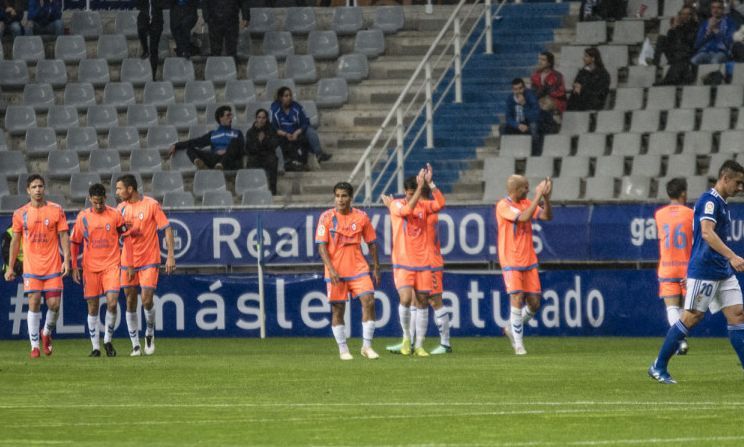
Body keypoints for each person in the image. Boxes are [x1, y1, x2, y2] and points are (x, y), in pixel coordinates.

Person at [649, 160, 744, 384]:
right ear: (725, 178)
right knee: (691, 317)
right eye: (738, 183)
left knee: (738, 314)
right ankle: (658, 365)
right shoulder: (709, 201)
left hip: (722, 270)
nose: (740, 188)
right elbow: (707, 233)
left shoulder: (721, 203)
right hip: (706, 270)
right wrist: (732, 256)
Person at [381, 164, 445, 357]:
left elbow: (440, 203)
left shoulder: (424, 206)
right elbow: (408, 210)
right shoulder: (396, 204)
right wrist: (419, 188)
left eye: (413, 192)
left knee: (423, 301)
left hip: (423, 262)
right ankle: (406, 338)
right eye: (408, 193)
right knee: (406, 299)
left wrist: (430, 184)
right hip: (402, 261)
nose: (411, 196)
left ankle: (419, 345)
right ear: (404, 192)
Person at [4, 174, 70, 358]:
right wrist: (10, 267)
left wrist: (67, 261)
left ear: (44, 188)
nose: (38, 189)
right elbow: (15, 241)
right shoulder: (20, 213)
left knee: (54, 305)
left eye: (40, 186)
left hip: (52, 265)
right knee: (33, 302)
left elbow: (64, 236)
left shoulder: (56, 210)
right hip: (31, 267)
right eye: (34, 187)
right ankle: (34, 346)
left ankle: (46, 333)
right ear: (28, 190)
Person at [316, 182, 381, 360]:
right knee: (338, 310)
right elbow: (322, 247)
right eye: (337, 196)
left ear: (351, 198)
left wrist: (376, 266)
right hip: (335, 271)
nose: (340, 199)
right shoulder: (326, 217)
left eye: (344, 196)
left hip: (358, 268)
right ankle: (343, 350)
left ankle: (367, 347)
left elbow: (371, 243)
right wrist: (331, 269)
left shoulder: (361, 217)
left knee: (369, 301)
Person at [115, 174, 176, 356]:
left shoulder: (151, 205)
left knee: (147, 299)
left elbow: (167, 228)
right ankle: (135, 344)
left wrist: (170, 256)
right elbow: (117, 234)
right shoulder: (120, 209)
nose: (117, 192)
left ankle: (149, 332)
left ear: (130, 189)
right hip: (128, 262)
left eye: (119, 189)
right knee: (130, 300)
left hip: (149, 259)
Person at [70, 184, 133, 358]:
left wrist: (130, 264)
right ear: (90, 199)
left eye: (101, 202)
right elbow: (75, 242)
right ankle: (95, 347)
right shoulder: (83, 217)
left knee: (112, 302)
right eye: (95, 202)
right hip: (90, 268)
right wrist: (74, 265)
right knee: (93, 306)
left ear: (106, 198)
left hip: (111, 265)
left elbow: (126, 239)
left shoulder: (115, 215)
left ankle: (107, 340)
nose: (98, 206)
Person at [498, 175, 553, 355]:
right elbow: (523, 218)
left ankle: (511, 328)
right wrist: (538, 194)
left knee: (534, 303)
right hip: (511, 260)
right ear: (515, 189)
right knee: (517, 297)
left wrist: (546, 197)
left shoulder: (526, 202)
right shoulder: (503, 206)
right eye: (525, 188)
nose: (528, 190)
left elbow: (546, 216)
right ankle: (519, 345)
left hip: (529, 260)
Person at [654, 178, 694, 356]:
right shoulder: (691, 213)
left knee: (671, 308)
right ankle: (681, 338)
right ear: (683, 193)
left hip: (667, 267)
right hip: (686, 267)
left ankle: (681, 341)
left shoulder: (659, 214)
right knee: (687, 310)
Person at [270, 86, 332, 172]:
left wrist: (297, 132)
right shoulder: (274, 109)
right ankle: (286, 163)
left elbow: (305, 123)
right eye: (286, 96)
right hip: (282, 135)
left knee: (311, 131)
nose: (289, 98)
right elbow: (273, 127)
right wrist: (285, 134)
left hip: (297, 133)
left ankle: (319, 154)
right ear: (280, 98)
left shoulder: (297, 107)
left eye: (290, 95)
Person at [168, 105, 245, 171]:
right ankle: (200, 164)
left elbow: (242, 149)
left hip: (230, 161)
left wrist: (227, 151)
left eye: (231, 115)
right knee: (190, 149)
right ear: (220, 118)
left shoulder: (237, 133)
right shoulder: (213, 134)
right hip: (215, 159)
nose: (231, 117)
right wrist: (176, 145)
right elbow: (196, 142)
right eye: (228, 115)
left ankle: (221, 165)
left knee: (234, 142)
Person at [654, 6, 698, 85]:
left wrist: (679, 28)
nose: (684, 16)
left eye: (687, 14)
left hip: (687, 53)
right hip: (675, 52)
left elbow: (688, 40)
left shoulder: (694, 26)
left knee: (681, 57)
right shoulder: (679, 26)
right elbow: (670, 40)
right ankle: (655, 63)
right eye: (682, 14)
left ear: (691, 15)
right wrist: (673, 28)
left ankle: (669, 79)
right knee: (661, 38)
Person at [503, 78, 543, 156]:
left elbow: (535, 117)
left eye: (520, 88)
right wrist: (517, 125)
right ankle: (508, 154)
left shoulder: (530, 96)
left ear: (524, 88)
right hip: (519, 124)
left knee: (534, 126)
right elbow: (508, 117)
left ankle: (535, 154)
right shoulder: (510, 99)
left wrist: (524, 104)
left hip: (530, 123)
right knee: (503, 128)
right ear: (512, 90)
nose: (518, 91)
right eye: (515, 89)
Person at [530, 51, 566, 134]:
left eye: (543, 60)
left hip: (554, 101)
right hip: (540, 101)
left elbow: (560, 92)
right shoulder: (535, 76)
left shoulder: (557, 75)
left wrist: (545, 92)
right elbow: (534, 92)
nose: (540, 62)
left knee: (546, 104)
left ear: (549, 63)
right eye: (539, 59)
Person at [245, 108, 279, 195]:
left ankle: (273, 190)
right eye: (259, 117)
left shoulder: (272, 130)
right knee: (251, 161)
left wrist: (265, 140)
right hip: (256, 156)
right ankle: (252, 190)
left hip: (268, 156)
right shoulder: (250, 132)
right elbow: (249, 148)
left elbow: (274, 145)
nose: (261, 120)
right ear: (256, 118)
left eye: (263, 118)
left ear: (266, 119)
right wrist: (259, 141)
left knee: (273, 160)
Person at [691, 0, 735, 65]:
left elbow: (729, 42)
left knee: (714, 61)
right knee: (693, 61)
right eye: (713, 7)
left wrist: (716, 31)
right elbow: (697, 44)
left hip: (721, 52)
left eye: (718, 8)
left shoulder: (729, 22)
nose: (715, 10)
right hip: (705, 51)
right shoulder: (705, 23)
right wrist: (707, 32)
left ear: (723, 9)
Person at [566, 47, 610, 111]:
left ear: (593, 58)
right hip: (580, 99)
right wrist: (576, 86)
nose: (583, 58)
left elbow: (600, 91)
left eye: (586, 56)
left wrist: (582, 89)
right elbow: (577, 83)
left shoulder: (603, 74)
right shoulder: (583, 71)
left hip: (593, 101)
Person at [137, 0, 167, 78]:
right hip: (144, 16)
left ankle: (153, 75)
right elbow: (138, 4)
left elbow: (165, 4)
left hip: (157, 20)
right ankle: (145, 50)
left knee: (154, 49)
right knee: (141, 29)